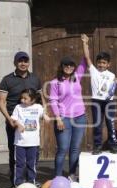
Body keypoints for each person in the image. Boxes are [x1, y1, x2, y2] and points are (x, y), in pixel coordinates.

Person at [0, 51, 43, 187]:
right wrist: (9, 119)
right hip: (14, 122)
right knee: (15, 153)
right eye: (20, 61)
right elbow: (1, 102)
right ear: (15, 63)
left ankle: (31, 181)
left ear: (29, 62)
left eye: (26, 61)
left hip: (32, 125)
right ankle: (16, 182)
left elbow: (41, 99)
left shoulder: (35, 78)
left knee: (34, 154)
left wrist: (42, 114)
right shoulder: (7, 80)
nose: (23, 63)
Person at [49, 38, 88, 179]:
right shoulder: (55, 82)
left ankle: (72, 174)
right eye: (66, 65)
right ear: (62, 66)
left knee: (75, 148)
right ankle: (58, 177)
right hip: (63, 119)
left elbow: (86, 59)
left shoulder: (77, 76)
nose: (69, 67)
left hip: (80, 117)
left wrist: (84, 43)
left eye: (72, 65)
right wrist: (58, 118)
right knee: (63, 149)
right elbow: (52, 100)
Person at [81, 34, 117, 155]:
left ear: (108, 64)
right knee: (97, 124)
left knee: (110, 123)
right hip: (96, 101)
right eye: (99, 62)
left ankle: (113, 145)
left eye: (104, 63)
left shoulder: (112, 75)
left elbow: (114, 86)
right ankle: (97, 146)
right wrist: (85, 43)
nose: (101, 65)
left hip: (109, 102)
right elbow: (87, 57)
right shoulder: (93, 71)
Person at [11, 89, 49, 187]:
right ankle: (18, 184)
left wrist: (45, 116)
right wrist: (18, 124)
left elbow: (44, 110)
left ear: (32, 100)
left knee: (31, 164)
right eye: (21, 98)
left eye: (25, 98)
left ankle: (31, 182)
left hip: (33, 143)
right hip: (20, 142)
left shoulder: (38, 107)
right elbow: (13, 119)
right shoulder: (18, 107)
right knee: (19, 164)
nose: (22, 100)